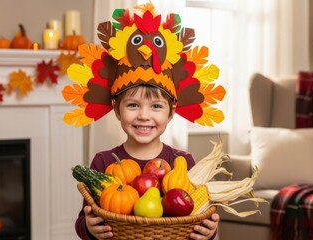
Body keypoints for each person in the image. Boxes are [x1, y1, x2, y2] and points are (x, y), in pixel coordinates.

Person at [61, 2, 226, 239]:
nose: (144, 115)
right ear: (116, 110)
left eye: (156, 106)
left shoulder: (184, 163)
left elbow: (197, 214)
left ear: (171, 113)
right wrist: (89, 228)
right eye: (133, 105)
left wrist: (208, 232)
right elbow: (85, 216)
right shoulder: (103, 162)